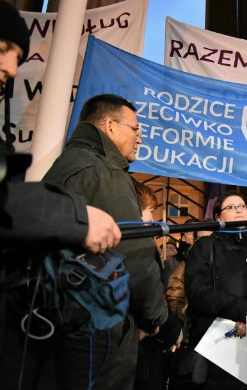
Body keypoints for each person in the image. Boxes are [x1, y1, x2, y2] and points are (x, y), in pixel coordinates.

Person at [0, 0, 121, 390]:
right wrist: (76, 217)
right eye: (3, 49)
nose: (11, 68)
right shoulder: (92, 169)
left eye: (18, 57)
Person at [43, 94, 173, 390]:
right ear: (110, 126)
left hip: (66, 322)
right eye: (136, 129)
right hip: (98, 329)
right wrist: (156, 317)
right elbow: (134, 257)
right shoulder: (103, 173)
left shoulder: (67, 165)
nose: (140, 138)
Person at [184, 191, 247, 389]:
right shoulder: (205, 247)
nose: (238, 210)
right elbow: (197, 291)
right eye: (231, 207)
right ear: (218, 216)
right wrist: (241, 310)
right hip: (217, 343)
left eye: (242, 206)